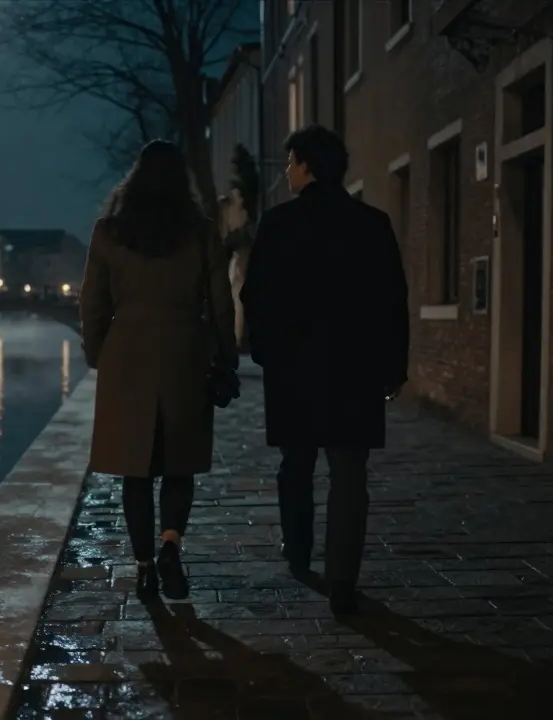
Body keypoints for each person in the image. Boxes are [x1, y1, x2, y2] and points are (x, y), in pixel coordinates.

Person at [239, 125, 410, 615]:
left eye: (292, 162)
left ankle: (298, 550)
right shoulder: (372, 223)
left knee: (296, 464)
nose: (288, 171)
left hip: (295, 367)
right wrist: (393, 366)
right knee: (349, 473)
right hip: (355, 367)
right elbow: (391, 300)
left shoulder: (278, 224)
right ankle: (342, 578)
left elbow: (256, 296)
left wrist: (268, 352)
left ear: (307, 166)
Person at [80, 139, 239, 601]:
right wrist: (225, 356)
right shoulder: (200, 231)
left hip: (126, 357)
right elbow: (221, 302)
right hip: (184, 354)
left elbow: (92, 303)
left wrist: (98, 354)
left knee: (135, 469)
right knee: (178, 464)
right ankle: (171, 544)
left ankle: (145, 566)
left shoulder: (108, 232)